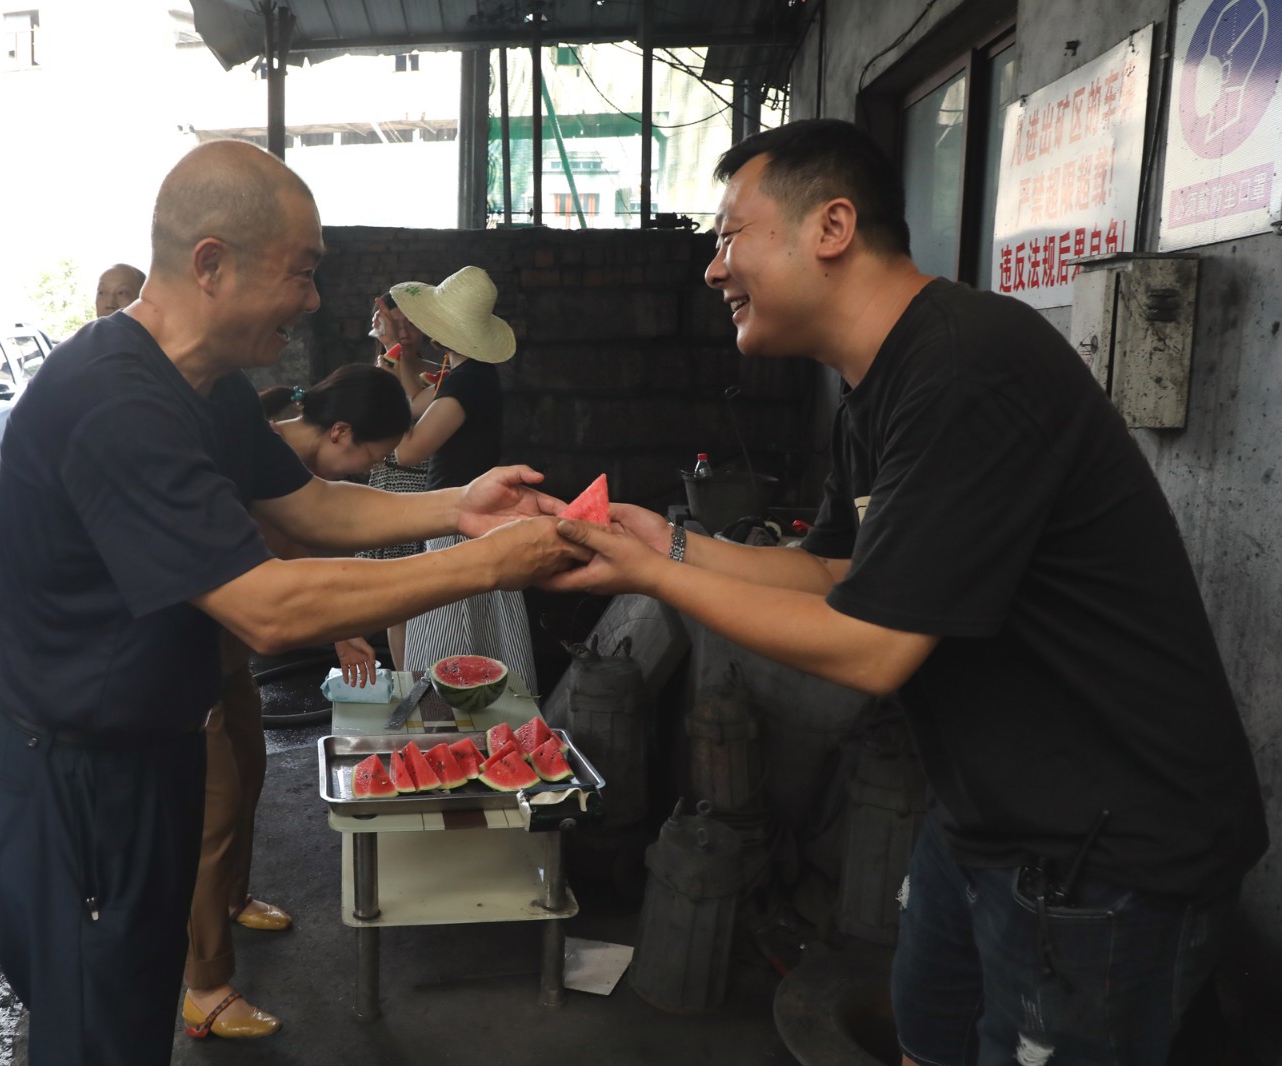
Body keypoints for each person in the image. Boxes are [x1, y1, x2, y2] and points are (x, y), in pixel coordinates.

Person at [548, 119, 1267, 1065]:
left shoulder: (965, 366)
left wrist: (653, 577)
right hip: (985, 825)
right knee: (925, 1041)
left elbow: (873, 644)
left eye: (729, 236)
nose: (714, 269)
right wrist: (670, 542)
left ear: (832, 227)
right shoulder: (876, 388)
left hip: (1107, 853)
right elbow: (833, 571)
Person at [0, 139, 583, 1066]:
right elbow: (264, 606)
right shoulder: (115, 400)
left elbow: (309, 504)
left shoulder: (207, 386)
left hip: (152, 754)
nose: (314, 299)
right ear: (211, 264)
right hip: (75, 779)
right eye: (301, 272)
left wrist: (460, 509)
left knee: (134, 1014)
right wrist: (489, 563)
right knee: (97, 1035)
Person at [182, 361, 411, 1041]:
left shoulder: (292, 462)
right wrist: (342, 625)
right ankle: (204, 985)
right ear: (339, 432)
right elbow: (276, 564)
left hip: (230, 656)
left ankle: (231, 897)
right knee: (216, 807)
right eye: (371, 457)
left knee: (250, 770)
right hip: (190, 656)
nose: (370, 473)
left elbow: (305, 547)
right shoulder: (262, 456)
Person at [384, 266, 538, 694]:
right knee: (479, 633)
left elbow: (408, 450)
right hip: (471, 515)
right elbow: (418, 404)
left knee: (445, 635)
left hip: (459, 520)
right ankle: (480, 715)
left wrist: (384, 392)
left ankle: (441, 717)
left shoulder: (467, 384)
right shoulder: (465, 374)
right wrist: (398, 360)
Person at [356, 288, 438, 670]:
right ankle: (407, 676)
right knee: (394, 599)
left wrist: (394, 352)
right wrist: (389, 354)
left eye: (411, 324)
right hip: (386, 486)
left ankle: (428, 674)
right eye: (396, 324)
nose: (404, 333)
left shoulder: (442, 373)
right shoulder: (375, 373)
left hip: (425, 488)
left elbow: (414, 411)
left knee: (426, 594)